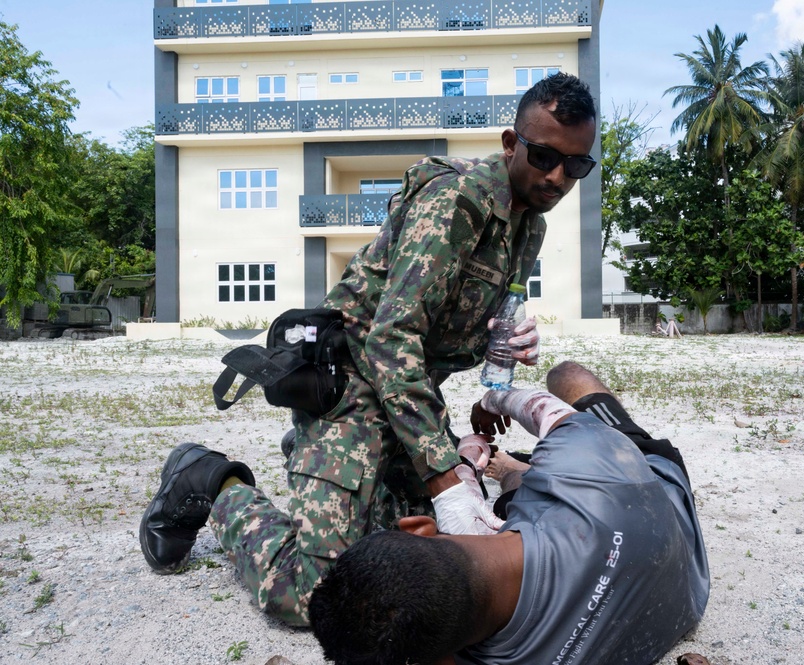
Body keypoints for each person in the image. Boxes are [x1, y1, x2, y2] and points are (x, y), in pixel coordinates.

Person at [138, 73, 598, 626]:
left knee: (417, 559)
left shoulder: (529, 226)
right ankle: (213, 480)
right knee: (318, 596)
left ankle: (325, 464)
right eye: (544, 156)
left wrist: (498, 354)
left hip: (406, 395)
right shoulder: (456, 200)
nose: (556, 177)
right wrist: (444, 479)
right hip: (352, 385)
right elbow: (390, 336)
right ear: (510, 143)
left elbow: (451, 322)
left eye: (575, 165)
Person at [308, 361, 710, 665]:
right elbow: (548, 410)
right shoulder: (591, 469)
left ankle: (514, 471)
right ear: (419, 527)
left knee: (515, 499)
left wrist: (469, 466)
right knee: (567, 375)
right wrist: (492, 401)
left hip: (680, 598)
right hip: (650, 499)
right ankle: (516, 470)